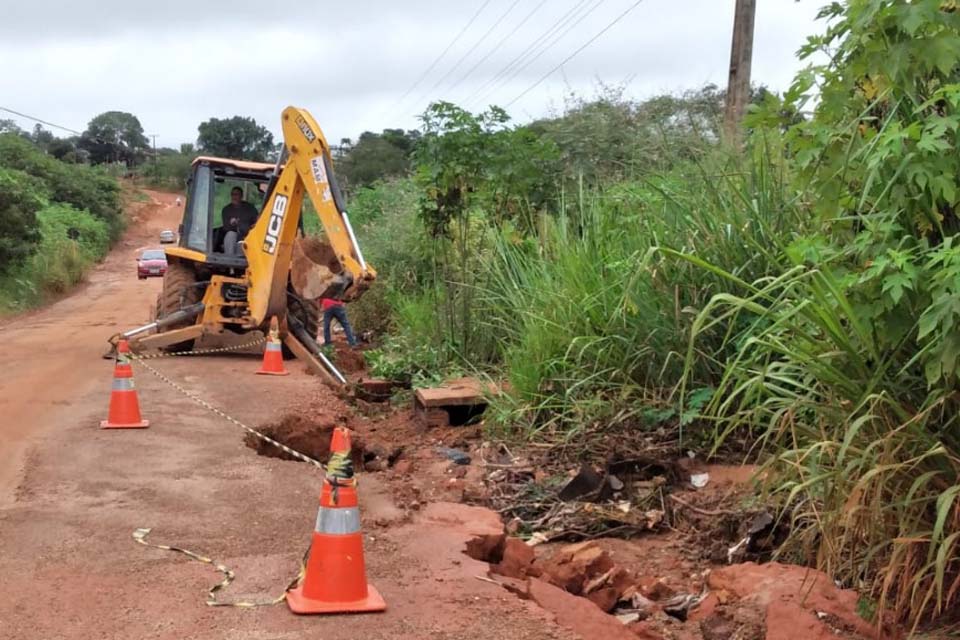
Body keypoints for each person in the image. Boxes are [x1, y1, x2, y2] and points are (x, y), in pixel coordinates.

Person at [220, 186, 259, 254]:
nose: (234, 197)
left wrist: (252, 226)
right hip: (233, 237)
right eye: (232, 194)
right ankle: (230, 260)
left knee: (244, 244)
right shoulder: (226, 210)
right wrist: (232, 224)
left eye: (236, 194)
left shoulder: (250, 208)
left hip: (247, 236)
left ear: (241, 196)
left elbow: (257, 222)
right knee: (230, 235)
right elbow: (226, 228)